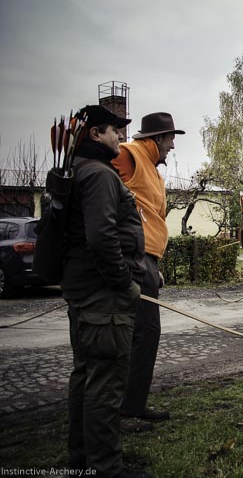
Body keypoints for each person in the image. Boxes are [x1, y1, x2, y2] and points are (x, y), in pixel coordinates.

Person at [62, 105, 146, 476]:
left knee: (87, 375)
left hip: (87, 291)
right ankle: (106, 466)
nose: (120, 137)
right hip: (103, 296)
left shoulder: (83, 170)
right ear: (95, 134)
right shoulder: (98, 174)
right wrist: (124, 283)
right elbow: (101, 237)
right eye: (114, 130)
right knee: (106, 382)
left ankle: (83, 460)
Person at [112, 112, 183, 425]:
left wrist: (153, 265)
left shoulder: (153, 170)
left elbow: (153, 217)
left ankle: (130, 402)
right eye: (169, 139)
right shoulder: (128, 155)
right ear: (155, 139)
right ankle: (128, 405)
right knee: (143, 332)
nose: (172, 147)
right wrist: (130, 259)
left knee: (143, 333)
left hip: (146, 259)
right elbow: (104, 199)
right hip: (132, 257)